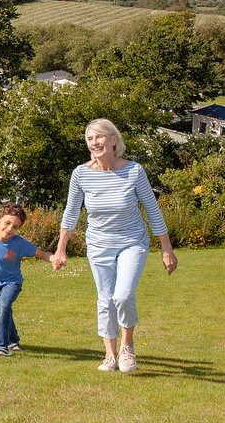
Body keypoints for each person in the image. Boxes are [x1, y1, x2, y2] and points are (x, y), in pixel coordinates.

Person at [54, 118, 178, 373]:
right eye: (90, 138)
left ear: (113, 140)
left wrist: (166, 247)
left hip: (132, 242)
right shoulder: (81, 174)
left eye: (99, 137)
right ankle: (110, 356)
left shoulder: (133, 171)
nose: (94, 142)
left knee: (122, 295)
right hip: (99, 245)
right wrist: (61, 248)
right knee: (106, 299)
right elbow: (71, 212)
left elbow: (152, 209)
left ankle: (127, 346)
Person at [0, 203, 58, 356]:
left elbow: (40, 253)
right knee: (4, 311)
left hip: (12, 283)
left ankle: (2, 346)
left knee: (3, 307)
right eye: (7, 223)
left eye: (15, 227)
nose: (10, 229)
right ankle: (14, 340)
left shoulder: (19, 243)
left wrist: (53, 259)